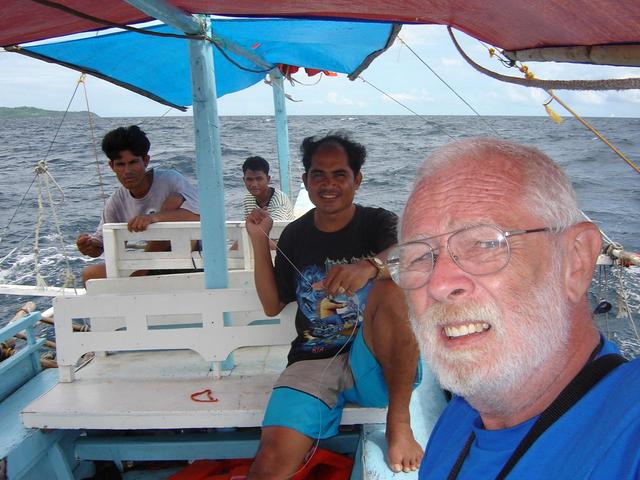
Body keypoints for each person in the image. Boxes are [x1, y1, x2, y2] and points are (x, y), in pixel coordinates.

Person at [392, 137, 640, 479]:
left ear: (577, 261)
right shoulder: (459, 418)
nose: (438, 284)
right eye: (419, 257)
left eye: (483, 243)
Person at [245, 133, 423, 478]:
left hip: (378, 362)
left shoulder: (377, 222)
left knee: (391, 287)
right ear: (305, 181)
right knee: (270, 462)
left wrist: (370, 267)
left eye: (339, 174)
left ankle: (400, 422)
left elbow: (414, 255)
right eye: (318, 174)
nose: (328, 184)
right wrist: (258, 242)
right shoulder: (295, 235)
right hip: (312, 362)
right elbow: (271, 305)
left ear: (357, 179)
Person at [76, 125, 200, 284]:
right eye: (120, 164)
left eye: (133, 162)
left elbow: (198, 216)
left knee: (173, 203)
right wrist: (89, 245)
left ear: (146, 161)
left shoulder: (170, 180)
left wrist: (154, 218)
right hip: (138, 265)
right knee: (90, 274)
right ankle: (139, 276)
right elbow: (100, 246)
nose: (127, 171)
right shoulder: (116, 201)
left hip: (185, 262)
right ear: (112, 166)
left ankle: (141, 273)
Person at [242, 156, 294, 221]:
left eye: (259, 179)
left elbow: (275, 229)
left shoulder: (279, 200)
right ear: (244, 180)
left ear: (268, 179)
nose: (254, 184)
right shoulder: (248, 199)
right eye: (249, 179)